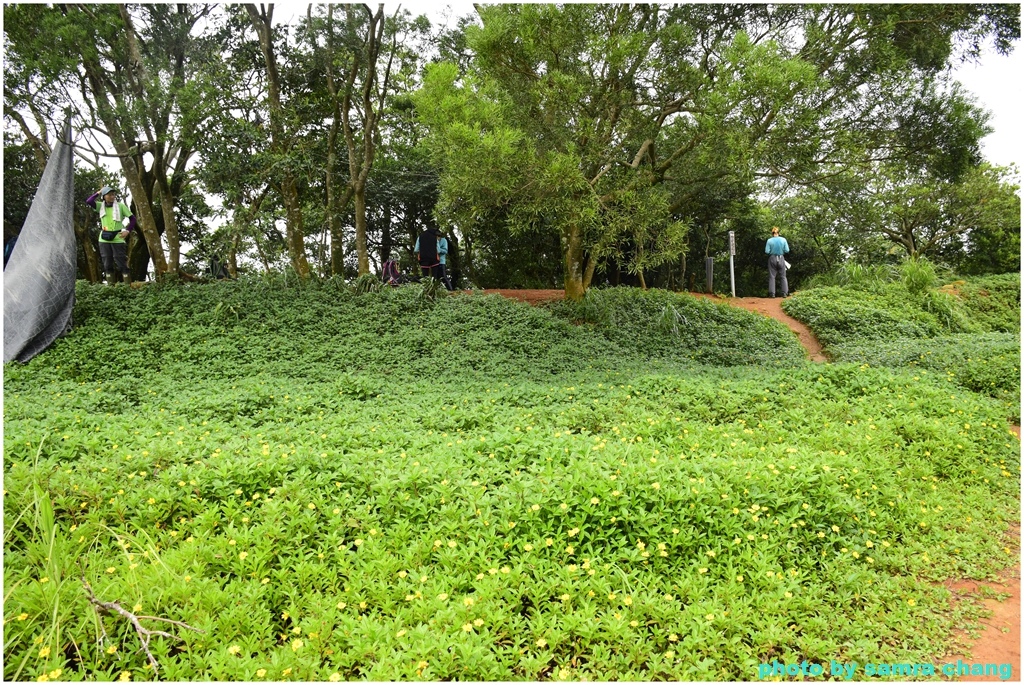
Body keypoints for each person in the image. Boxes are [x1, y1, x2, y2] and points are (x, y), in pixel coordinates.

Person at [86, 186, 137, 285]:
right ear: (104, 196)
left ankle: (127, 286)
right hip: (104, 238)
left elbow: (133, 219)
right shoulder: (101, 206)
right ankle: (110, 287)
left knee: (121, 261)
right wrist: (98, 192)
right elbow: (89, 201)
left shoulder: (121, 206)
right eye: (109, 195)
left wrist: (128, 231)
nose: (112, 196)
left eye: (113, 194)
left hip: (118, 237)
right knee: (107, 263)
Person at [765, 226, 790, 298]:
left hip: (772, 258)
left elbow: (767, 251)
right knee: (783, 276)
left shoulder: (769, 240)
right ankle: (784, 293)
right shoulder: (783, 239)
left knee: (772, 276)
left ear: (772, 233)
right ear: (778, 233)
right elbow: (787, 250)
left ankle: (772, 294)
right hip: (781, 257)